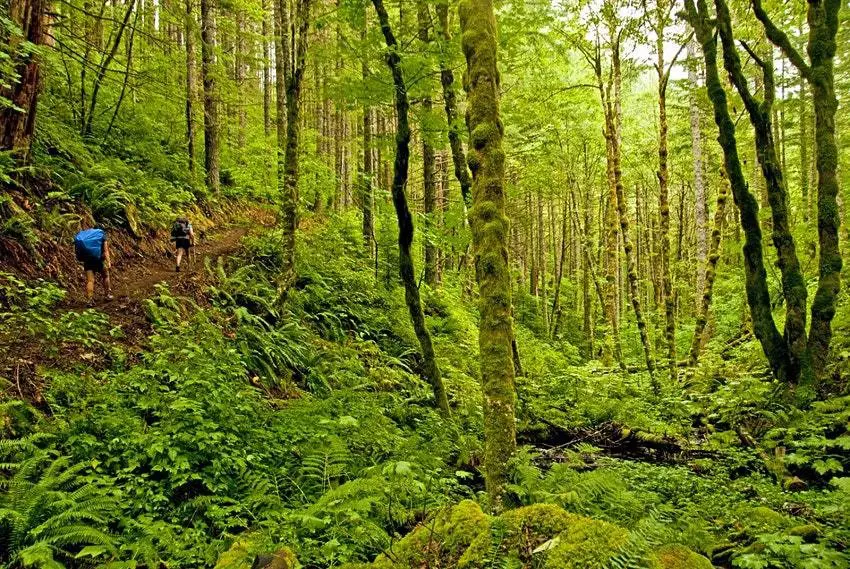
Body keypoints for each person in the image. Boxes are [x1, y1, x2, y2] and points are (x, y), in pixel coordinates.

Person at [74, 225, 113, 305]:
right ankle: (107, 295)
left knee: (90, 280)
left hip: (88, 260)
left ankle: (90, 300)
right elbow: (106, 251)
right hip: (99, 260)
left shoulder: (88, 234)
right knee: (105, 276)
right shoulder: (102, 234)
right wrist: (108, 261)